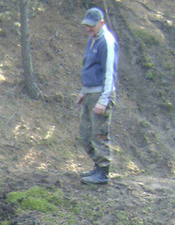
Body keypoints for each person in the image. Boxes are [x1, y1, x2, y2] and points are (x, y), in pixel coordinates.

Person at [76, 7, 119, 185]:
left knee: (99, 134)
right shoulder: (92, 39)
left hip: (101, 94)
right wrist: (83, 92)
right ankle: (97, 166)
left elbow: (110, 73)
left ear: (101, 23)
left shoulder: (107, 42)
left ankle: (103, 172)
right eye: (86, 25)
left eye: (91, 26)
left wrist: (103, 100)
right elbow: (88, 68)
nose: (88, 29)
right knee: (85, 134)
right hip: (89, 93)